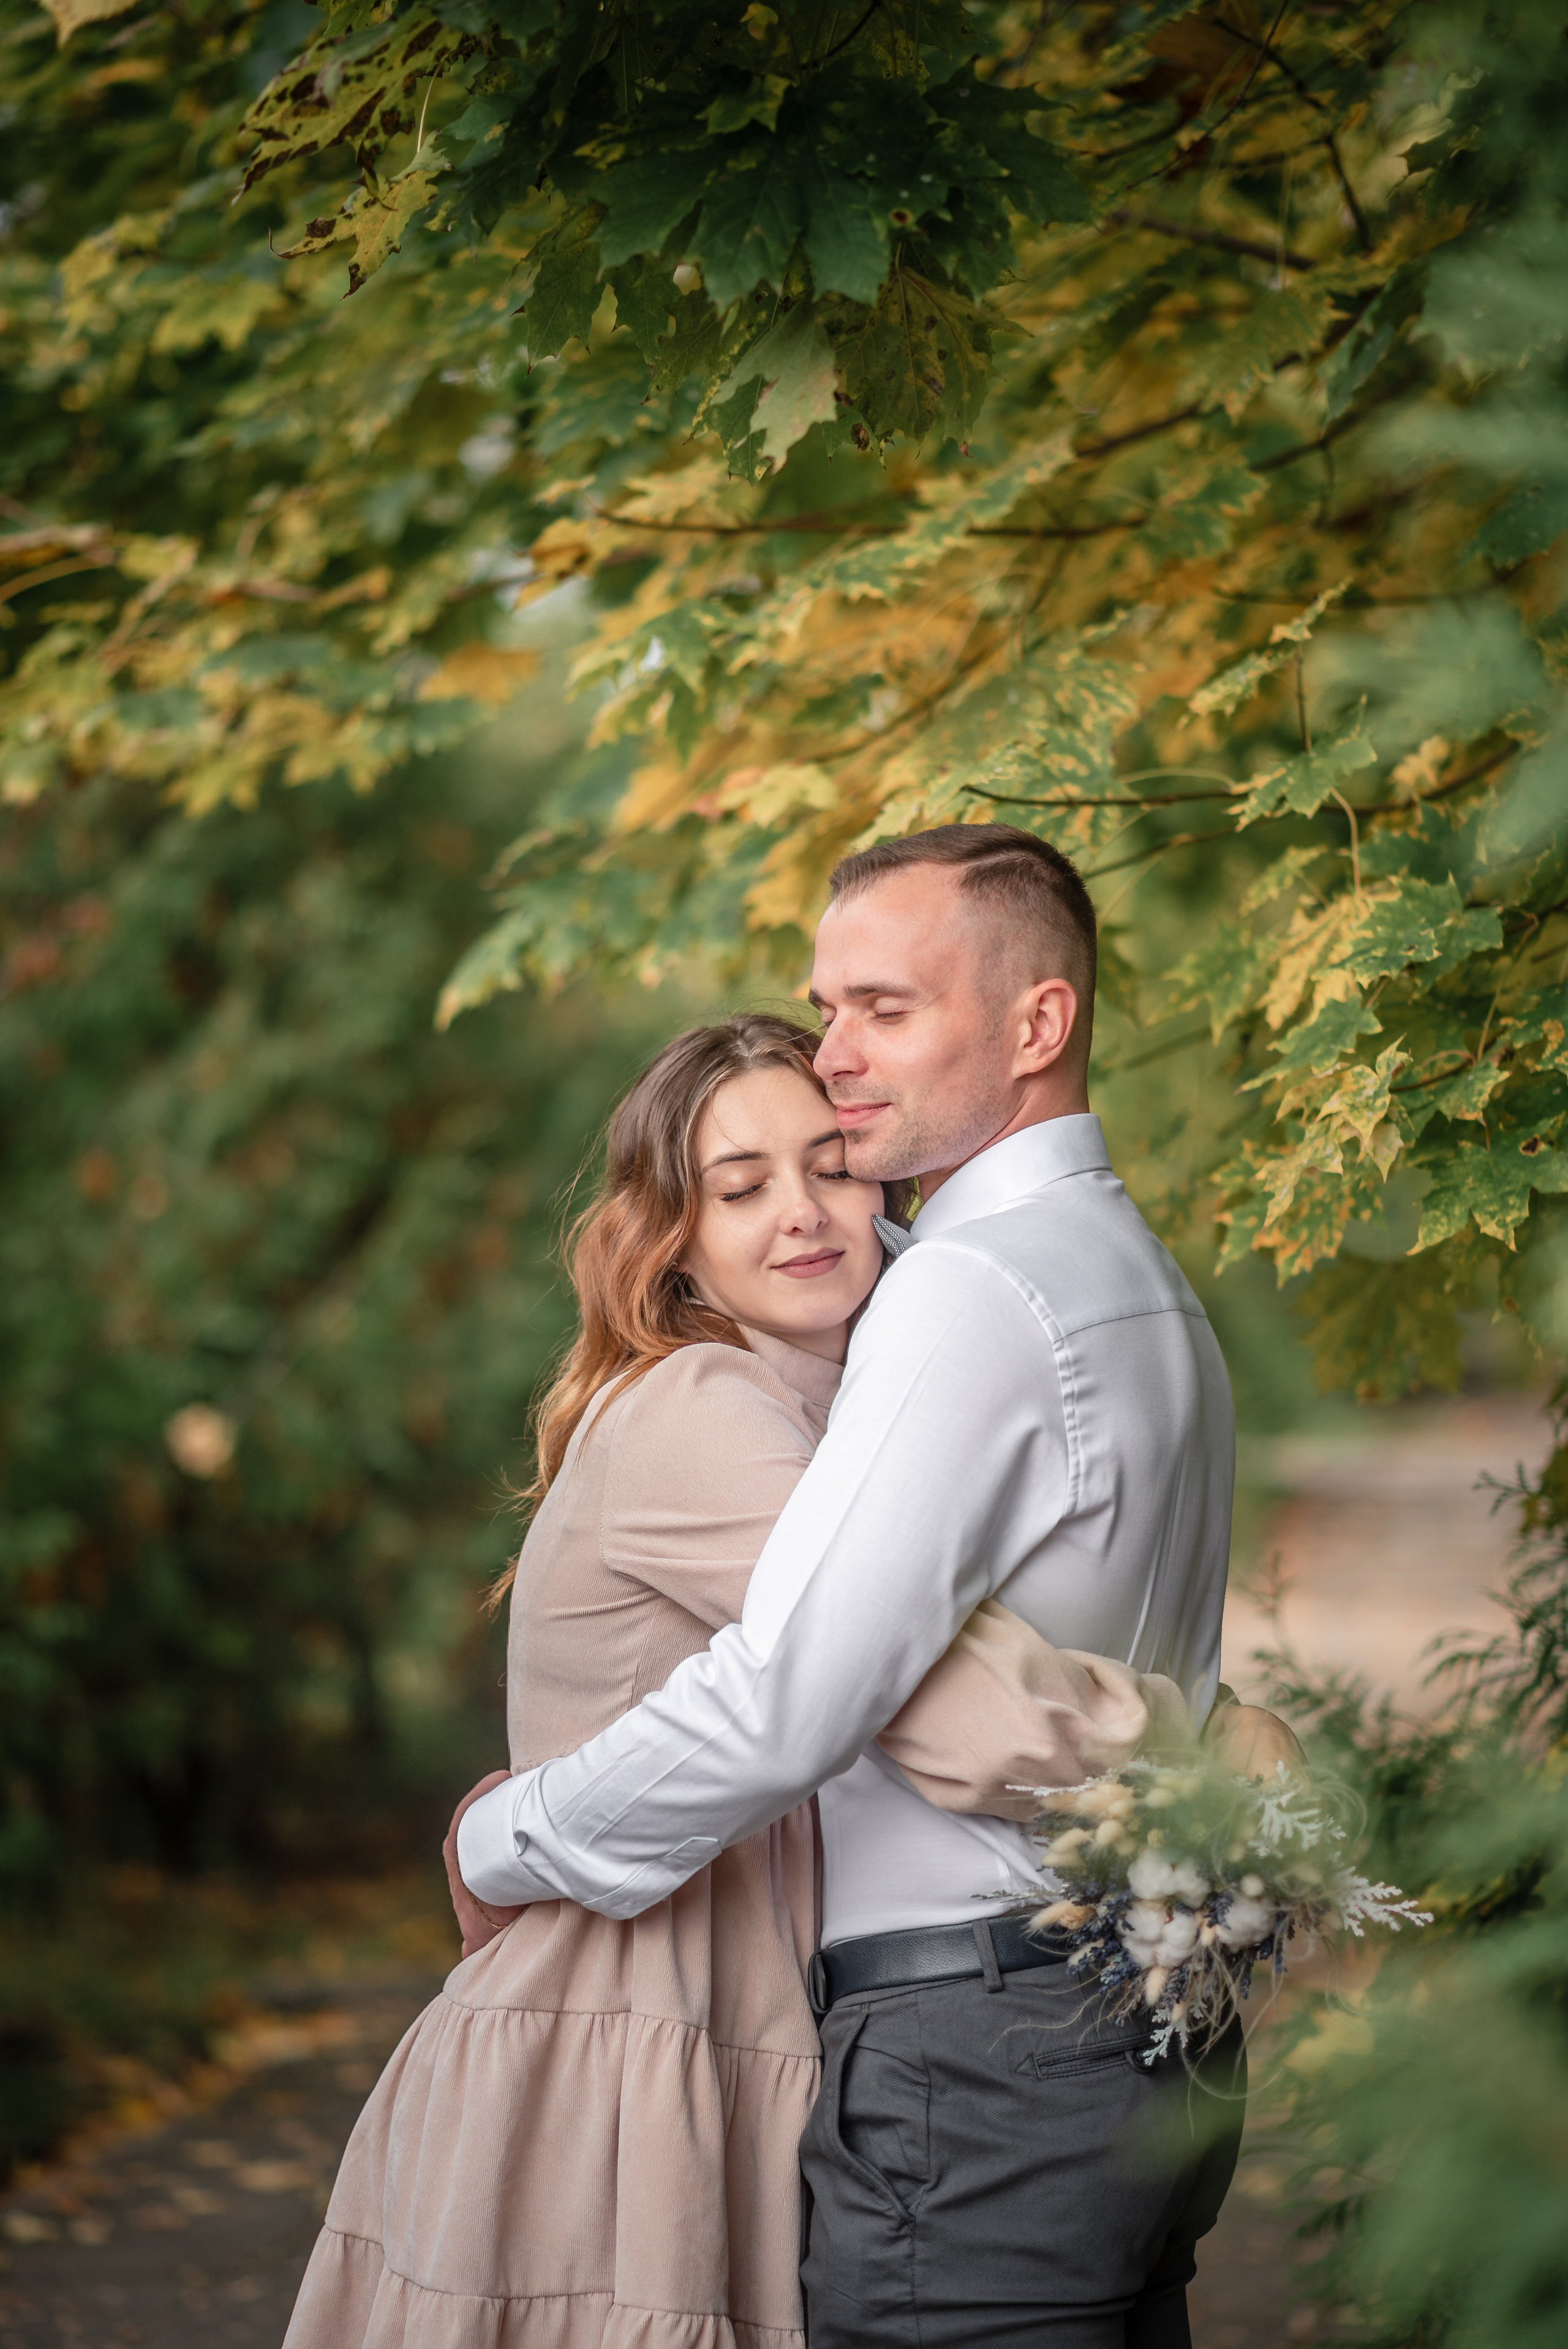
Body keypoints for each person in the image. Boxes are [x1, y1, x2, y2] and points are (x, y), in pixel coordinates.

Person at [458, 824, 1276, 2348]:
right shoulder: (1140, 1277)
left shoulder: (961, 1289)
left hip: (980, 2044)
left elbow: (808, 1696)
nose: (836, 1053)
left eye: (883, 1010)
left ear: (1037, 1024)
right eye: (824, 1004)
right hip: (1134, 2017)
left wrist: (505, 1831)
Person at [284, 1008, 1189, 2349]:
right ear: (675, 1232)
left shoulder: (831, 1402)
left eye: (829, 1163)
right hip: (613, 2052)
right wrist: (1203, 1741)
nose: (804, 1214)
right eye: (740, 1185)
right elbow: (942, 1702)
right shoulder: (701, 1407)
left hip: (712, 2034)